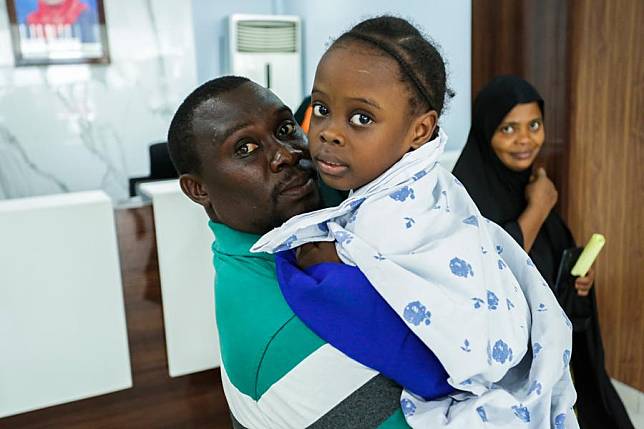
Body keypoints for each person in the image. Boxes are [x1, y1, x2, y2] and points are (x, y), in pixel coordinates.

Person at [253, 16, 578, 428]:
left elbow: (432, 360)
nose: (329, 132)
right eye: (321, 109)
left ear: (420, 130)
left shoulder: (407, 207)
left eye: (362, 119)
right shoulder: (389, 183)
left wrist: (318, 263)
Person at [167, 75, 426, 428]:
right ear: (198, 189)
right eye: (245, 149)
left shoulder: (312, 236)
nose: (287, 154)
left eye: (286, 128)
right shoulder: (284, 328)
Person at [452, 75, 634, 429]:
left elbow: (545, 267)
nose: (524, 140)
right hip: (506, 371)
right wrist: (538, 209)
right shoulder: (467, 195)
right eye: (508, 128)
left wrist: (576, 279)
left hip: (548, 353)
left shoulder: (531, 184)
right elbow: (485, 270)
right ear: (486, 132)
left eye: (534, 125)